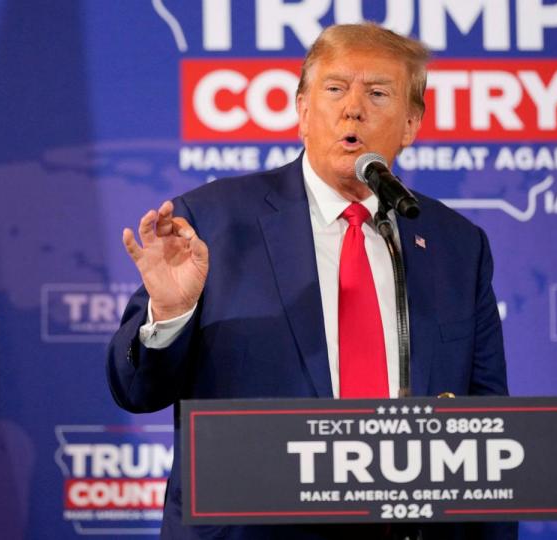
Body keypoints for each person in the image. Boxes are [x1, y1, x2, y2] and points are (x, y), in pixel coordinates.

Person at [107, 23, 515, 540]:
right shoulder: (213, 223)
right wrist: (169, 315)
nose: (353, 109)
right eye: (335, 88)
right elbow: (135, 390)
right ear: (302, 111)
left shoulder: (458, 244)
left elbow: (489, 428)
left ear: (411, 124)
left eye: (378, 93)